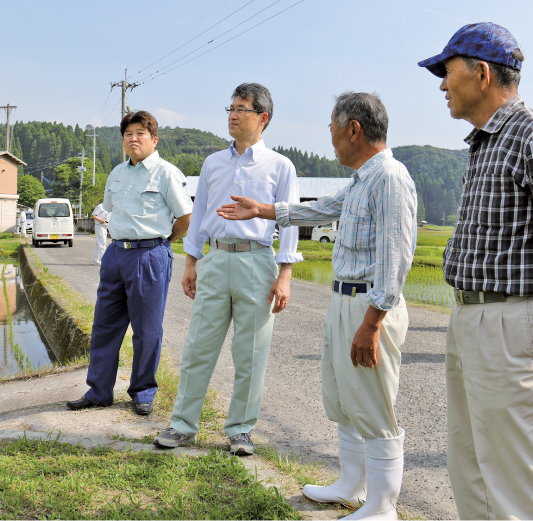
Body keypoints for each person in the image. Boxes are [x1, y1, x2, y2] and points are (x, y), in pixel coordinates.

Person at [418, 22, 533, 519]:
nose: (440, 84)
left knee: (524, 484)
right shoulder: (484, 142)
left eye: (447, 70)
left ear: (481, 74)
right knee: (472, 466)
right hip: (472, 317)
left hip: (516, 322)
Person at [218, 92, 417, 518]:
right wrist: (265, 210)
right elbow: (324, 209)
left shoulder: (391, 178)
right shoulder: (364, 178)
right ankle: (351, 485)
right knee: (344, 399)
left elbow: (396, 258)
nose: (330, 139)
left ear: (353, 129)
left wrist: (372, 323)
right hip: (346, 300)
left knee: (374, 403)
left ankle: (383, 506)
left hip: (369, 307)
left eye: (331, 129)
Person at [153, 83, 303, 456]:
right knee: (198, 346)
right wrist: (192, 262)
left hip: (258, 261)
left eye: (242, 109)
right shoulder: (213, 163)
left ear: (262, 118)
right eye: (231, 109)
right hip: (216, 258)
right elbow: (200, 211)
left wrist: (285, 274)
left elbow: (291, 221)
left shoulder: (280, 166)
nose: (233, 115)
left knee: (251, 352)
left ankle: (240, 430)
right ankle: (182, 425)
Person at [66, 110, 193, 416]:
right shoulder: (117, 173)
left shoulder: (165, 173)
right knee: (104, 326)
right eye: (128, 134)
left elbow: (186, 218)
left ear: (154, 139)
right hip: (115, 254)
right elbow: (109, 210)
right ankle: (99, 391)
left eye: (140, 134)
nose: (133, 139)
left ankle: (142, 391)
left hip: (149, 254)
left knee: (147, 329)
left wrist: (162, 244)